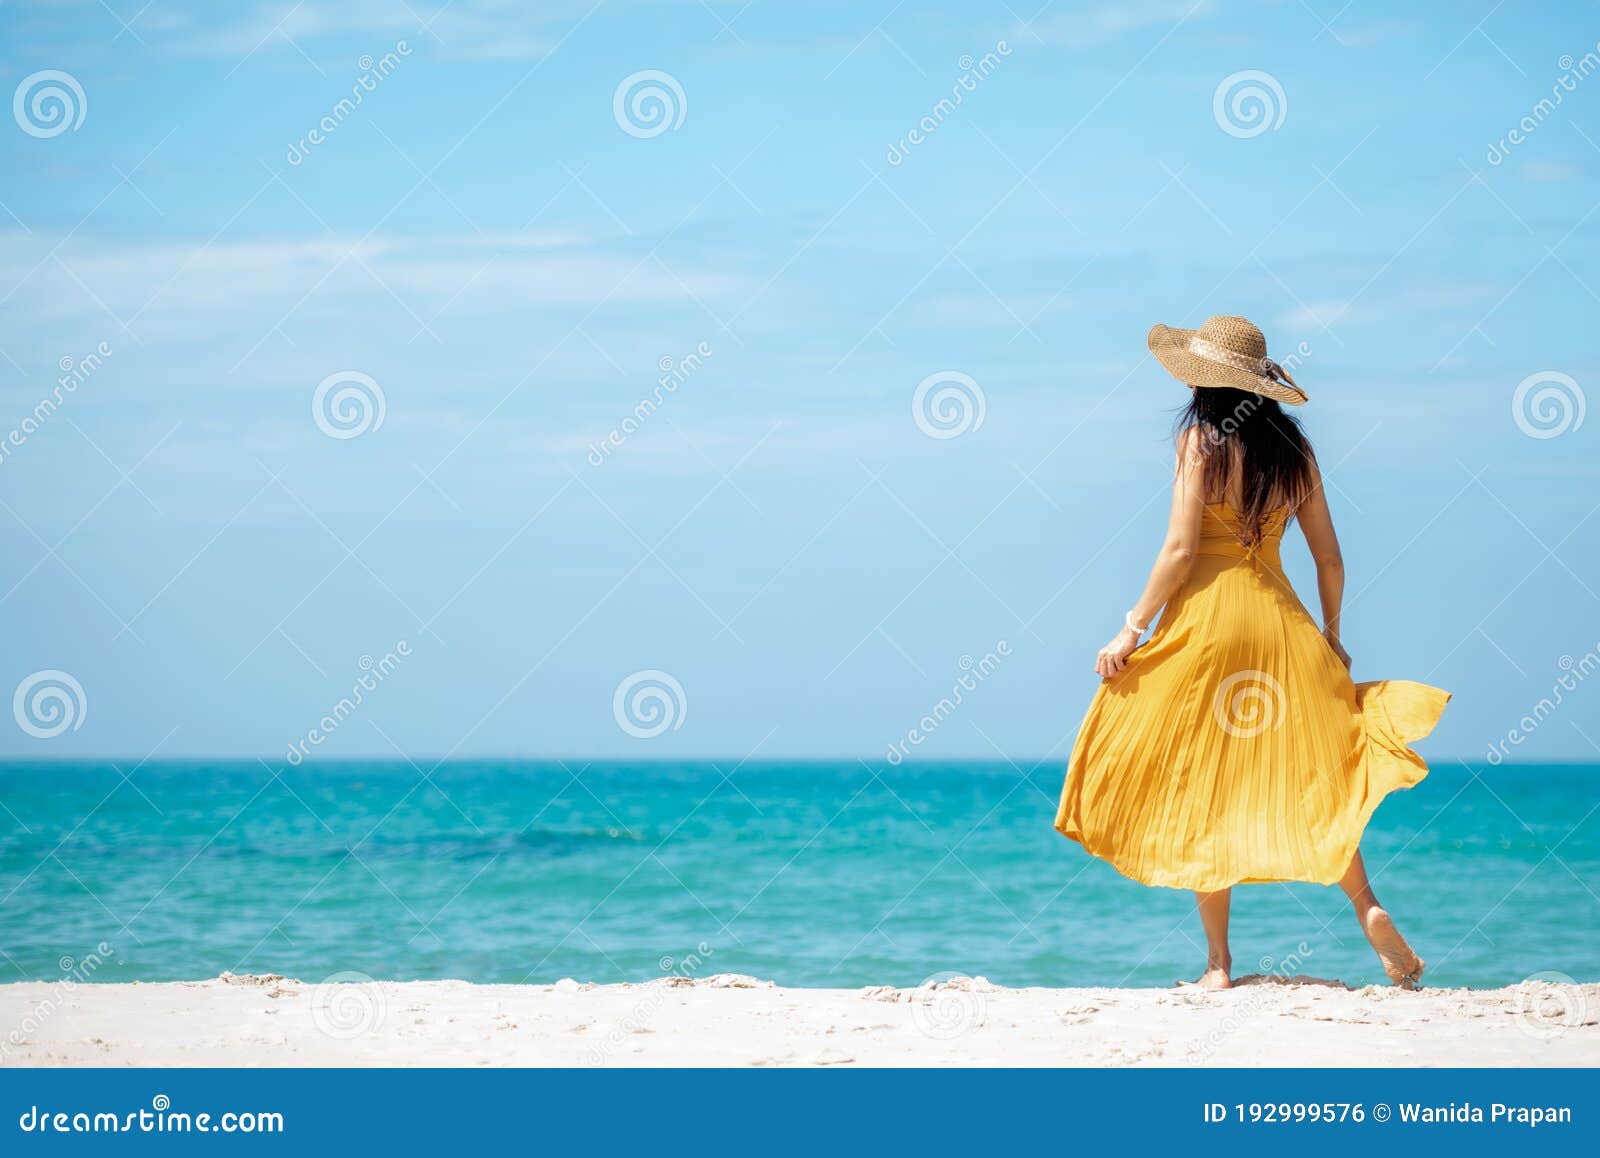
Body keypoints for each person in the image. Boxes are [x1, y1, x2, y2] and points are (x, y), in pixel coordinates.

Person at [1054, 315, 1450, 990]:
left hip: (1208, 629)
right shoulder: (1296, 452)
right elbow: (1329, 556)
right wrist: (1329, 633)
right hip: (1282, 626)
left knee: (1205, 783)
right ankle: (1370, 908)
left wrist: (1130, 628)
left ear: (1201, 380)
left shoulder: (1197, 442)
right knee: (1319, 779)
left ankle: (1218, 966)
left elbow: (1181, 551)